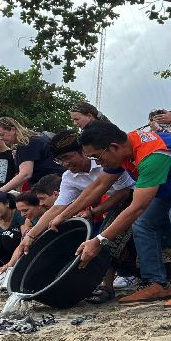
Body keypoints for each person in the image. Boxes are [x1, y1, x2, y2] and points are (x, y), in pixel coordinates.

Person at [53, 121, 171, 307]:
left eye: (97, 157)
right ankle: (157, 283)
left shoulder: (152, 154)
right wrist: (64, 215)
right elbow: (99, 185)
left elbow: (136, 207)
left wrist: (99, 240)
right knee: (143, 222)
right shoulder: (124, 148)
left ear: (113, 147)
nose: (98, 163)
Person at [24, 129, 137, 303]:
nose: (65, 164)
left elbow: (124, 191)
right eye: (60, 160)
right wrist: (31, 235)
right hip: (105, 209)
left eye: (68, 157)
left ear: (84, 152)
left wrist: (94, 212)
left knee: (105, 239)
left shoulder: (104, 163)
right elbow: (58, 208)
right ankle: (107, 286)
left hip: (134, 198)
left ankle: (113, 284)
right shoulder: (69, 177)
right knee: (100, 238)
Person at [0, 117, 65, 192]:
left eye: (2, 134)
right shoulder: (36, 137)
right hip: (59, 180)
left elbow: (25, 174)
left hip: (52, 187)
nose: (1, 138)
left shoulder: (25, 143)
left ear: (12, 129)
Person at [0, 192, 47, 275]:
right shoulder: (29, 220)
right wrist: (8, 265)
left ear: (39, 205)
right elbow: (22, 244)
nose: (22, 214)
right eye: (20, 211)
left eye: (25, 210)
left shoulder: (49, 214)